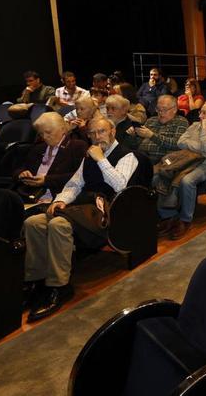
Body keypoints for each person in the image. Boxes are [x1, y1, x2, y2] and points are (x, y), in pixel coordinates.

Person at [22, 117, 140, 321]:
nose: (96, 137)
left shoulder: (127, 155)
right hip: (83, 208)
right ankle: (37, 280)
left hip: (109, 212)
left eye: (101, 132)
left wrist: (101, 159)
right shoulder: (88, 156)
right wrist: (60, 201)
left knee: (58, 224)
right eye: (92, 133)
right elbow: (74, 184)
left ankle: (59, 286)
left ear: (112, 131)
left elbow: (120, 186)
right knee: (33, 223)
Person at [155, 101, 206, 239]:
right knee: (158, 175)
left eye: (204, 112)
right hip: (186, 160)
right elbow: (181, 142)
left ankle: (185, 220)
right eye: (200, 112)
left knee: (186, 181)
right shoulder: (195, 125)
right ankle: (169, 216)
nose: (200, 115)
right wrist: (200, 148)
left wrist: (205, 130)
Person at [14, 113, 88, 203]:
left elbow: (80, 177)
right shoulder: (39, 148)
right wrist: (22, 174)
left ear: (62, 129)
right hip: (29, 195)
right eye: (41, 133)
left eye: (48, 132)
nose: (44, 137)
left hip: (57, 199)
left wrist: (46, 180)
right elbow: (20, 168)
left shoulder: (76, 146)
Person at [131, 95, 189, 165]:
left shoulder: (181, 121)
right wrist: (134, 136)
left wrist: (152, 135)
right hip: (140, 155)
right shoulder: (151, 120)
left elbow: (177, 144)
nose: (160, 113)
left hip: (162, 160)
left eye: (164, 109)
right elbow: (139, 142)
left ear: (174, 110)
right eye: (158, 109)